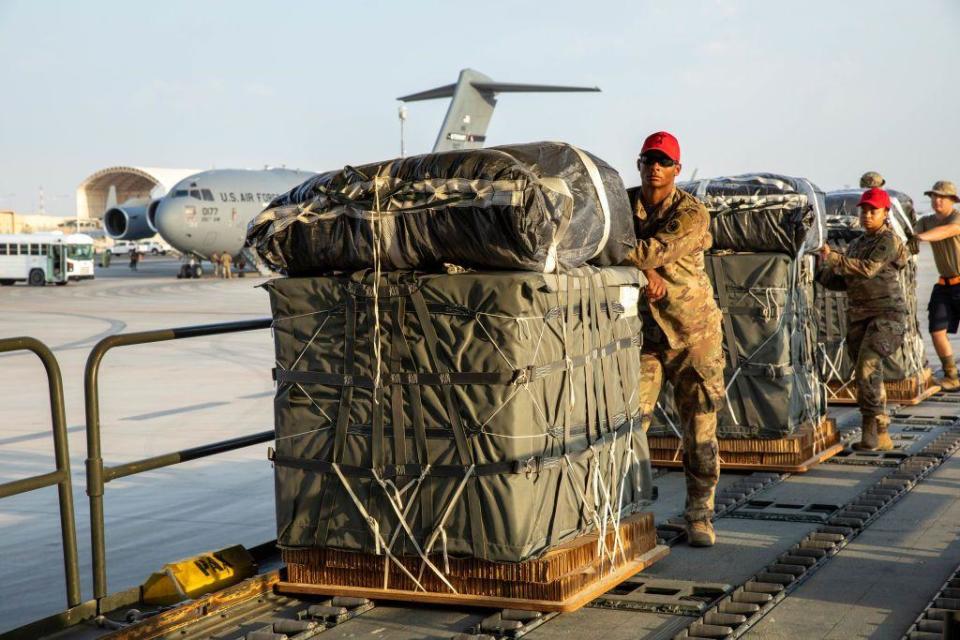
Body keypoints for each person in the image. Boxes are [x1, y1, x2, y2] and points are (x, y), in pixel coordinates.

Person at [624, 131, 724, 547]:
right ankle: (623, 513)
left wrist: (643, 265)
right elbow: (596, 243)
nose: (655, 167)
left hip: (691, 335)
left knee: (699, 429)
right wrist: (646, 274)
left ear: (677, 170)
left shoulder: (691, 212)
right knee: (630, 422)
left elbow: (647, 251)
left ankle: (700, 515)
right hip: (644, 336)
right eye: (649, 160)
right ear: (640, 164)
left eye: (664, 161)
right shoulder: (624, 204)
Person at [817, 188, 907, 450]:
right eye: (864, 210)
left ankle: (871, 429)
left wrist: (834, 257)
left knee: (867, 365)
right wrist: (818, 269)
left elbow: (868, 270)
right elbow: (843, 281)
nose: (867, 215)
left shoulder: (888, 240)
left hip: (887, 315)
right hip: (859, 317)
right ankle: (881, 429)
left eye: (873, 211)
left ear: (885, 213)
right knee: (865, 373)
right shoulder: (857, 244)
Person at [913, 181, 960, 391]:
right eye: (933, 196)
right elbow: (908, 233)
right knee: (936, 330)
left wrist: (918, 237)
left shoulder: (956, 218)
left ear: (952, 201)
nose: (937, 200)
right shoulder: (926, 221)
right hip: (944, 283)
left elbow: (947, 231)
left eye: (942, 197)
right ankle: (951, 375)